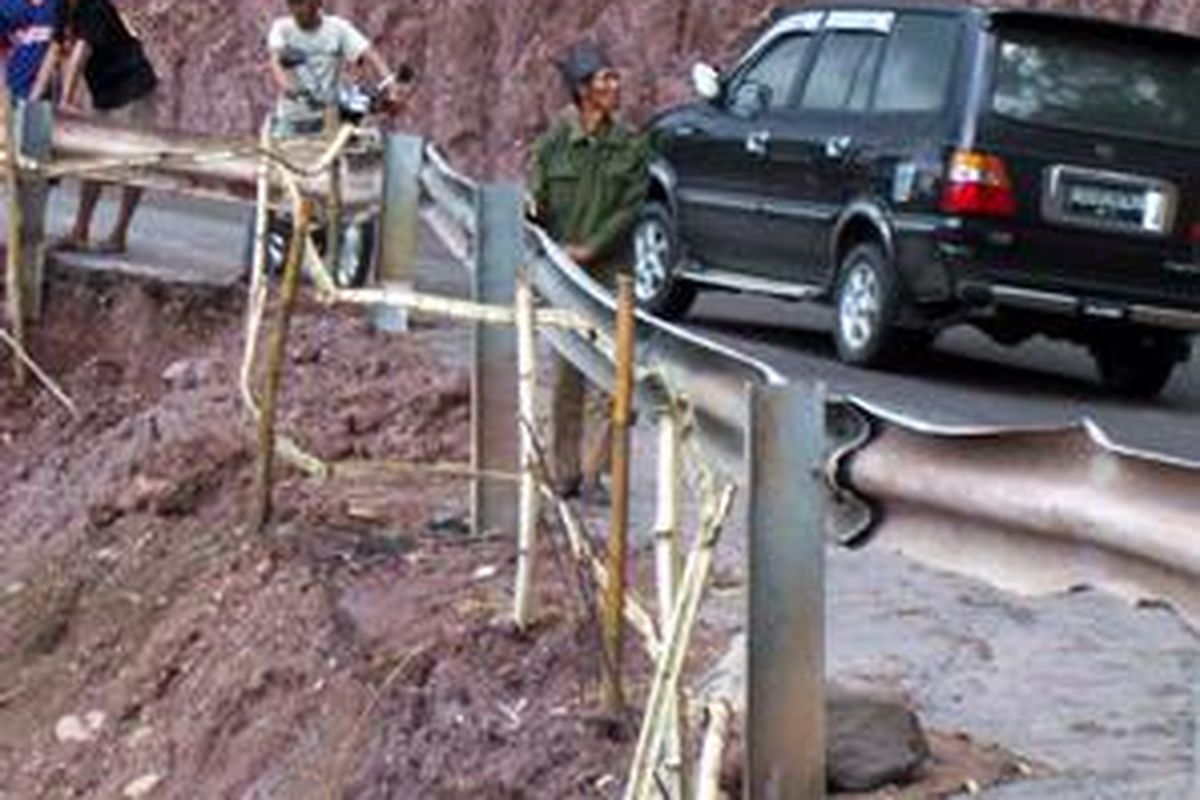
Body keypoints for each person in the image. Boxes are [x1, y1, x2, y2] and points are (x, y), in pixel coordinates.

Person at [527, 40, 648, 500]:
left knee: (612, 379)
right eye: (605, 79)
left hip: (610, 278)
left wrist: (591, 248)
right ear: (582, 90)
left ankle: (598, 473)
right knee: (565, 379)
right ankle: (566, 472)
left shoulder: (630, 145)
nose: (615, 87)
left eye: (615, 78)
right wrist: (533, 214)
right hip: (564, 280)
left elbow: (629, 209)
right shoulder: (553, 144)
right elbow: (534, 195)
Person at [48, 0, 159, 254]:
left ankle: (119, 233)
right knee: (92, 159)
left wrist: (66, 99)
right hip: (104, 91)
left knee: (135, 160)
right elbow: (57, 50)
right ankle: (80, 230)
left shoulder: (94, 6)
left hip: (133, 86)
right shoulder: (63, 7)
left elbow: (81, 52)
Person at [267, 0, 402, 137]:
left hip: (328, 118)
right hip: (291, 118)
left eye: (301, 3)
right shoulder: (282, 28)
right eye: (291, 4)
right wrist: (287, 87)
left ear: (317, 3)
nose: (296, 10)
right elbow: (275, 60)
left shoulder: (337, 28)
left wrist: (391, 85)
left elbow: (370, 54)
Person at [0, 0, 64, 103]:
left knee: (35, 117)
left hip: (42, 92)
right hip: (12, 90)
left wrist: (35, 96)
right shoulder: (6, 6)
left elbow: (55, 50)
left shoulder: (57, 6)